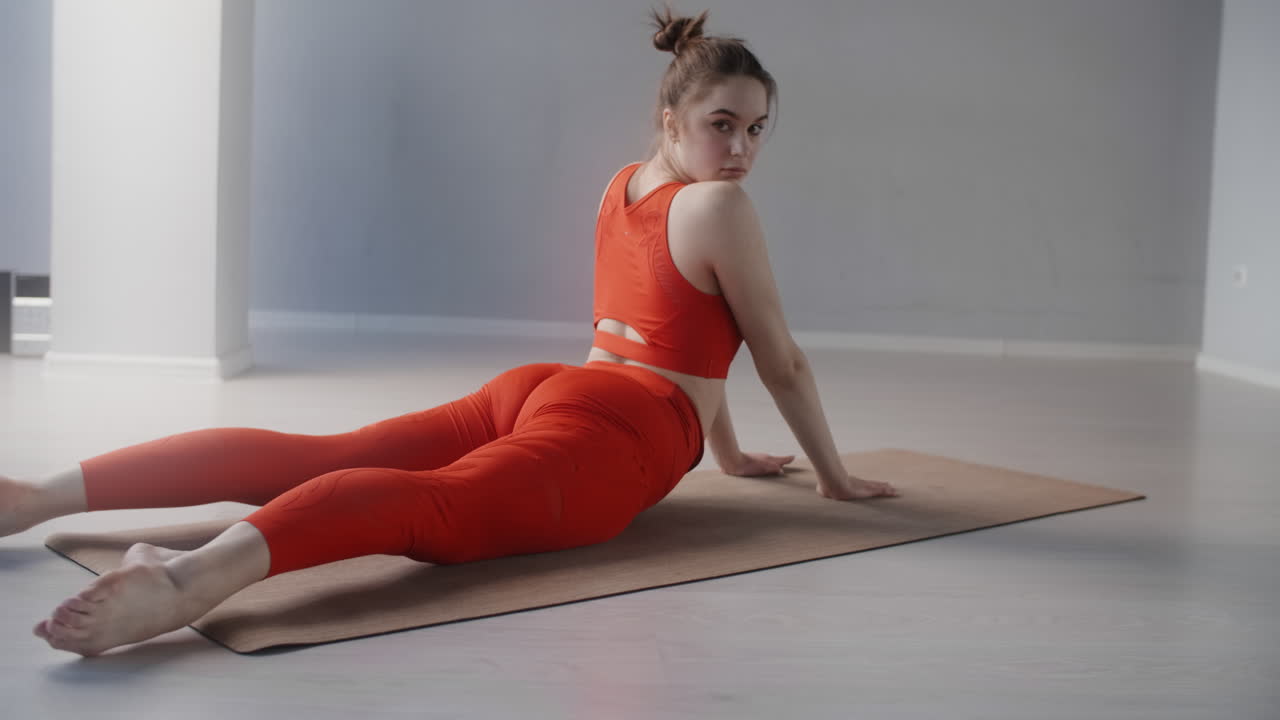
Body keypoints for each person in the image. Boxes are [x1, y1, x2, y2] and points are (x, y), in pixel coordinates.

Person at [3, 5, 897, 657]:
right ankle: (182, 584)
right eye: (722, 125)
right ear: (673, 121)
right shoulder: (721, 206)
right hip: (619, 428)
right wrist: (834, 480)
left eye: (756, 130)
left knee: (322, 453)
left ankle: (38, 497)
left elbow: (678, 333)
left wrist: (729, 454)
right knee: (433, 508)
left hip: (546, 390)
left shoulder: (627, 181)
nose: (741, 148)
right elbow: (775, 357)